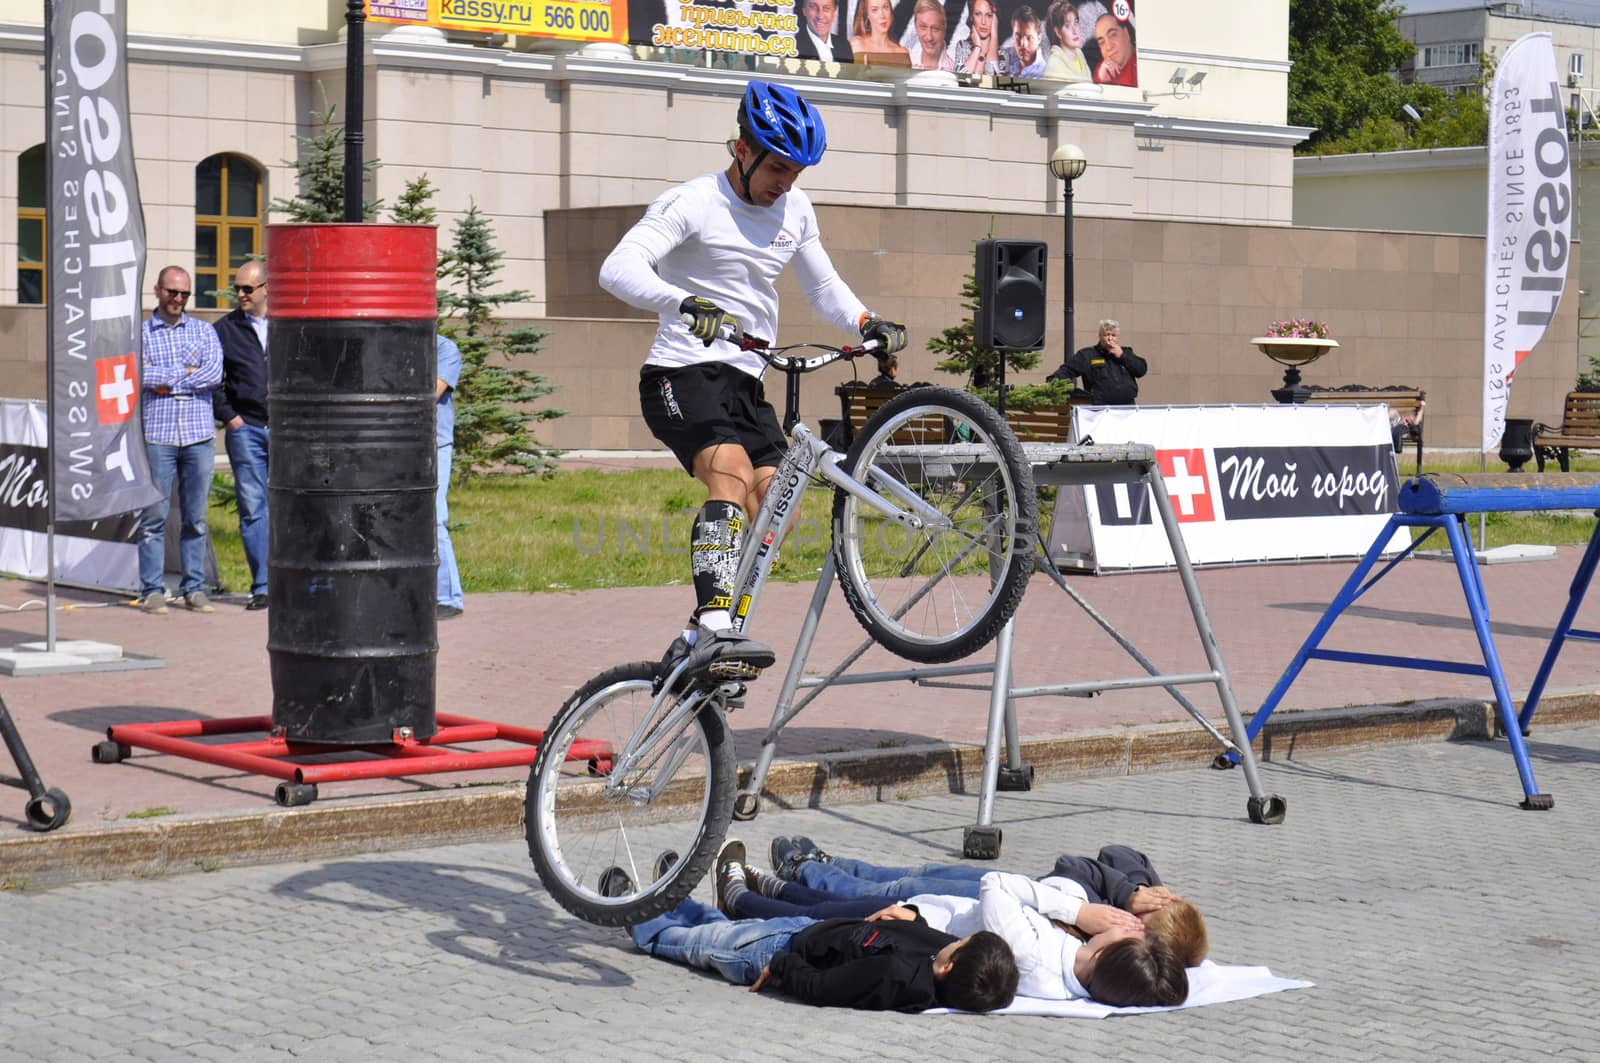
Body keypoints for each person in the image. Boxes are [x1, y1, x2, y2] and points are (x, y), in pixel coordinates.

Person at [598, 81, 906, 687]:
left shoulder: (796, 208)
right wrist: (683, 301)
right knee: (731, 476)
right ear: (741, 149)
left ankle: (702, 637)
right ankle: (716, 623)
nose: (786, 182)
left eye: (797, 170)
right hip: (679, 374)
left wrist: (866, 320)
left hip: (746, 380)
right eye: (778, 167)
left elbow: (822, 289)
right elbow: (618, 269)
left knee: (777, 504)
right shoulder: (692, 202)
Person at [714, 854, 1187, 1005]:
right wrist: (1125, 889)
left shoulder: (1038, 953)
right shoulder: (1080, 965)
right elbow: (1092, 863)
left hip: (926, 923)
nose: (1129, 928)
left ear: (1107, 957)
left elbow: (999, 884)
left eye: (1132, 936)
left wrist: (1080, 912)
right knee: (835, 903)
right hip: (937, 917)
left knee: (825, 915)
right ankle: (772, 882)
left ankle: (742, 899)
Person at [617, 864, 1020, 1012]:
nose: (954, 937)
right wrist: (911, 916)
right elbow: (920, 936)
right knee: (720, 927)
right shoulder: (941, 959)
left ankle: (636, 914)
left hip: (778, 952)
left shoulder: (895, 976)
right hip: (805, 932)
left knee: (697, 944)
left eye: (960, 942)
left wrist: (780, 965)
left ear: (948, 967)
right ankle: (673, 896)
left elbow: (821, 988)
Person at [771, 835, 1208, 967]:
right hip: (1009, 886)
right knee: (911, 875)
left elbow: (1069, 868)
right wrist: (1130, 889)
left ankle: (803, 870)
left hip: (996, 904)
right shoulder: (1137, 899)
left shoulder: (1095, 938)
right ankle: (829, 862)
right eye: (1161, 900)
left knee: (893, 894)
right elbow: (1111, 855)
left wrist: (1097, 910)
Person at [137, 266, 224, 615]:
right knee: (154, 517)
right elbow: (140, 373)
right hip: (158, 435)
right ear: (157, 291)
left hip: (198, 436)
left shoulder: (204, 331)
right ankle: (152, 590)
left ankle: (194, 588)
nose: (178, 299)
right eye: (172, 292)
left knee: (196, 517)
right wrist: (186, 375)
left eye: (184, 294)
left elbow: (214, 373)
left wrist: (165, 380)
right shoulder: (140, 334)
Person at [212, 260, 270, 611]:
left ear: (266, 289)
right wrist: (231, 418)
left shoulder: (288, 325)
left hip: (286, 430)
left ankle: (294, 580)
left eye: (248, 288)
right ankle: (262, 585)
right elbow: (212, 379)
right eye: (238, 288)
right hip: (245, 429)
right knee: (252, 508)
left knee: (292, 507)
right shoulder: (225, 329)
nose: (241, 294)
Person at [435, 334, 465, 621]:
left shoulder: (444, 348)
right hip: (398, 443)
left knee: (434, 517)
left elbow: (433, 390)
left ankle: (448, 596)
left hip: (434, 444)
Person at [1048, 318, 1147, 405]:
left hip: (1127, 408)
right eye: (1106, 335)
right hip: (1100, 409)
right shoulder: (1087, 355)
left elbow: (1141, 370)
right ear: (1099, 336)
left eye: (1113, 335)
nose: (1110, 339)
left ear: (1118, 337)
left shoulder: (1126, 353)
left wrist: (1122, 356)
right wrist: (1051, 383)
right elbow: (1066, 371)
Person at [1042, 0, 1090, 81]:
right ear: (1058, 32)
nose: (1075, 30)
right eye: (1067, 26)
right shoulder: (1054, 64)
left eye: (1076, 22)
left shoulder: (1080, 56)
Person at [949, 0, 1000, 75]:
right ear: (971, 17)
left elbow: (992, 77)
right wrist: (977, 47)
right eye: (978, 14)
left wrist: (994, 34)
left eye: (989, 15)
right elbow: (961, 78)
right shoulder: (963, 46)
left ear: (995, 19)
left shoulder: (1002, 53)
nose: (983, 22)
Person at [1091, 10, 1137, 86]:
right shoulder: (1101, 70)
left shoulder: (1142, 64)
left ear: (1126, 33)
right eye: (1101, 42)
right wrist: (1101, 80)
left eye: (1113, 35)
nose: (1108, 47)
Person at [907, 0, 955, 71]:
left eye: (935, 29)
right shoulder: (906, 63)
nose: (929, 37)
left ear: (944, 29)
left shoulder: (955, 69)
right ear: (916, 27)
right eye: (923, 27)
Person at [1000, 5, 1045, 78]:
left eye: (1029, 38)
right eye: (1018, 36)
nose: (1023, 44)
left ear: (1039, 38)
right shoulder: (1007, 59)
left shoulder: (1046, 72)